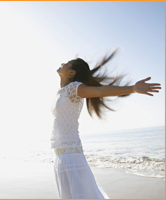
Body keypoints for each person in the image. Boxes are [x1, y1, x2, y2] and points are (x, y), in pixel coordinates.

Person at [50, 49, 161, 199]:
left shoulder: (74, 88)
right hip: (59, 153)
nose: (62, 63)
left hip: (71, 154)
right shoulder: (61, 91)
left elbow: (100, 90)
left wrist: (133, 89)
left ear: (72, 73)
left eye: (67, 64)